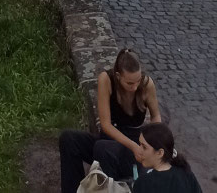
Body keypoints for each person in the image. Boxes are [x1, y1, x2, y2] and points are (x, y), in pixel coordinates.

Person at [58, 48, 161, 192]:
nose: (135, 86)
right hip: (113, 140)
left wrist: (153, 142)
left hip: (133, 151)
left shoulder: (146, 84)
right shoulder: (106, 80)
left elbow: (156, 116)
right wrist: (133, 145)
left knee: (103, 148)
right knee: (68, 139)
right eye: (130, 83)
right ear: (118, 76)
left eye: (137, 81)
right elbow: (105, 125)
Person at [135, 122, 202, 191]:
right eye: (139, 144)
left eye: (144, 147)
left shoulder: (143, 183)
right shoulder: (186, 172)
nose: (139, 150)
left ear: (160, 153)